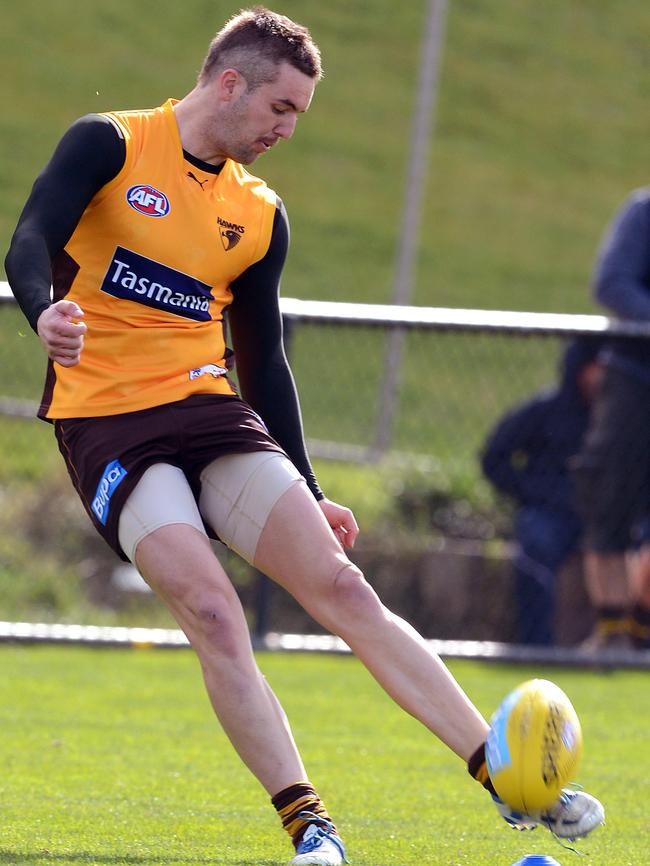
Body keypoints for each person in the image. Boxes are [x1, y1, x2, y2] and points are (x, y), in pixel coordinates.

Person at [4, 8, 604, 863]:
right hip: (107, 422)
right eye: (281, 109)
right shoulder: (109, 144)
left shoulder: (258, 214)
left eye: (299, 115)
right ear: (229, 82)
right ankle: (310, 827)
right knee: (214, 612)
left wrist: (314, 491)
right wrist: (44, 312)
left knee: (344, 588)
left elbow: (266, 363)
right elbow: (30, 233)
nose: (288, 129)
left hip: (209, 410)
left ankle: (508, 776)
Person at [481, 338, 604, 645]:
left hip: (608, 515)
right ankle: (537, 648)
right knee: (535, 543)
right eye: (598, 367)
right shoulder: (546, 411)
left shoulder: (621, 420)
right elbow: (494, 458)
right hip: (552, 513)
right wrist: (534, 491)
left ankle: (634, 648)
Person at [573, 187, 650, 651]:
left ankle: (640, 632)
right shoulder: (644, 213)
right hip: (635, 381)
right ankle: (612, 633)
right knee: (609, 502)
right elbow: (612, 282)